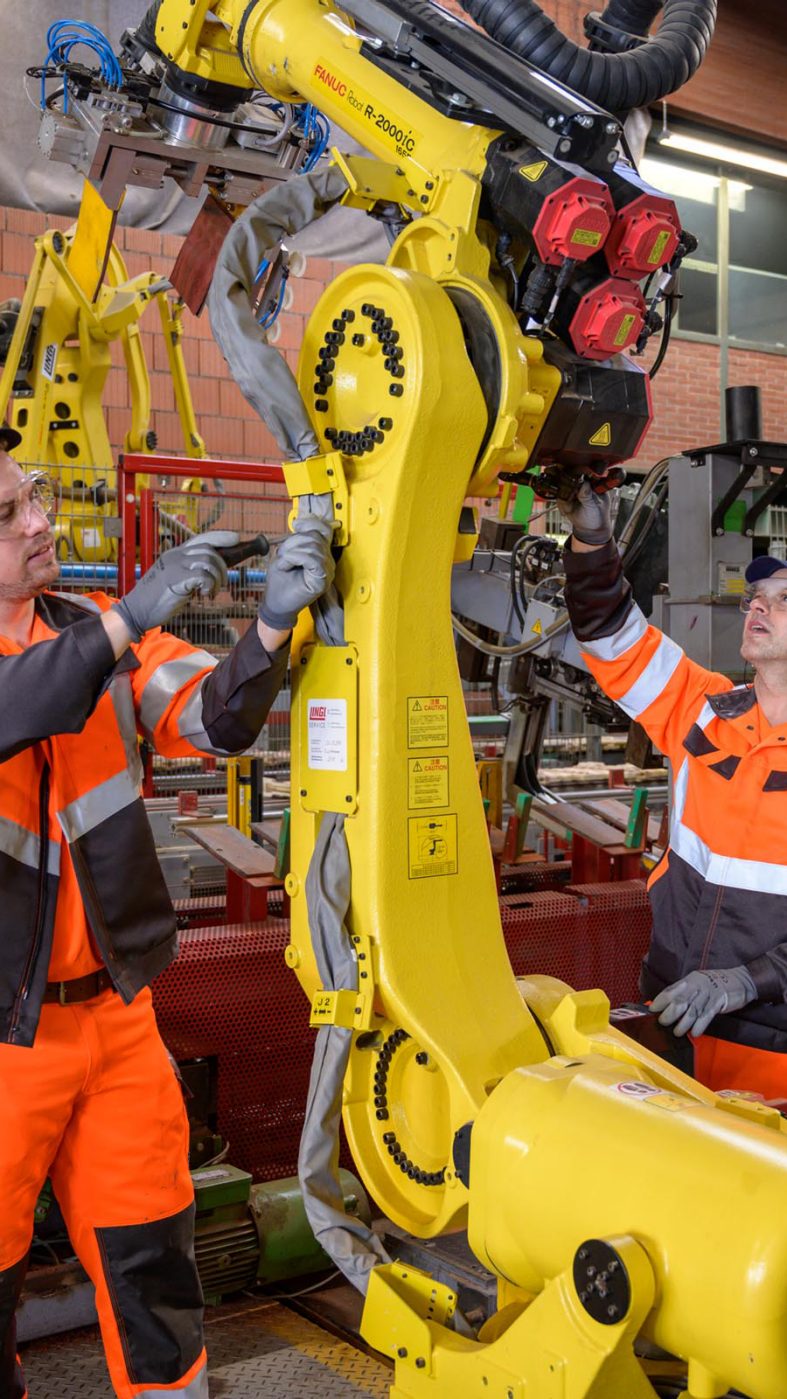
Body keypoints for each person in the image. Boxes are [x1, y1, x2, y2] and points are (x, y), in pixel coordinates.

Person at [0, 423, 335, 1399]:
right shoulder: (90, 639)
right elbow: (20, 699)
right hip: (6, 1042)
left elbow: (211, 718)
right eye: (9, 512)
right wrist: (124, 618)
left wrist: (269, 627)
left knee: (152, 1253)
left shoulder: (92, 628)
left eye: (35, 496)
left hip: (115, 1020)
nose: (39, 520)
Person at [559, 479, 787, 1100]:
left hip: (773, 1058)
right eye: (756, 597)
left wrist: (749, 979)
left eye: (782, 599)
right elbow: (611, 639)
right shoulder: (704, 710)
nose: (757, 608)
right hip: (673, 1025)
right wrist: (591, 542)